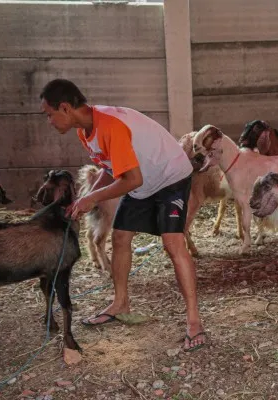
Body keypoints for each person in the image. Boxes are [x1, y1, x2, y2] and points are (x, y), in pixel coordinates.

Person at [39, 78, 207, 351]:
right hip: (142, 179)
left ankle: (194, 321)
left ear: (65, 108)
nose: (49, 121)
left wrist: (92, 198)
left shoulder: (110, 126)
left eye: (49, 114)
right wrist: (87, 197)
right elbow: (110, 167)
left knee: (173, 243)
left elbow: (131, 179)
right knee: (120, 237)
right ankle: (120, 303)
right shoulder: (85, 131)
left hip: (170, 175)